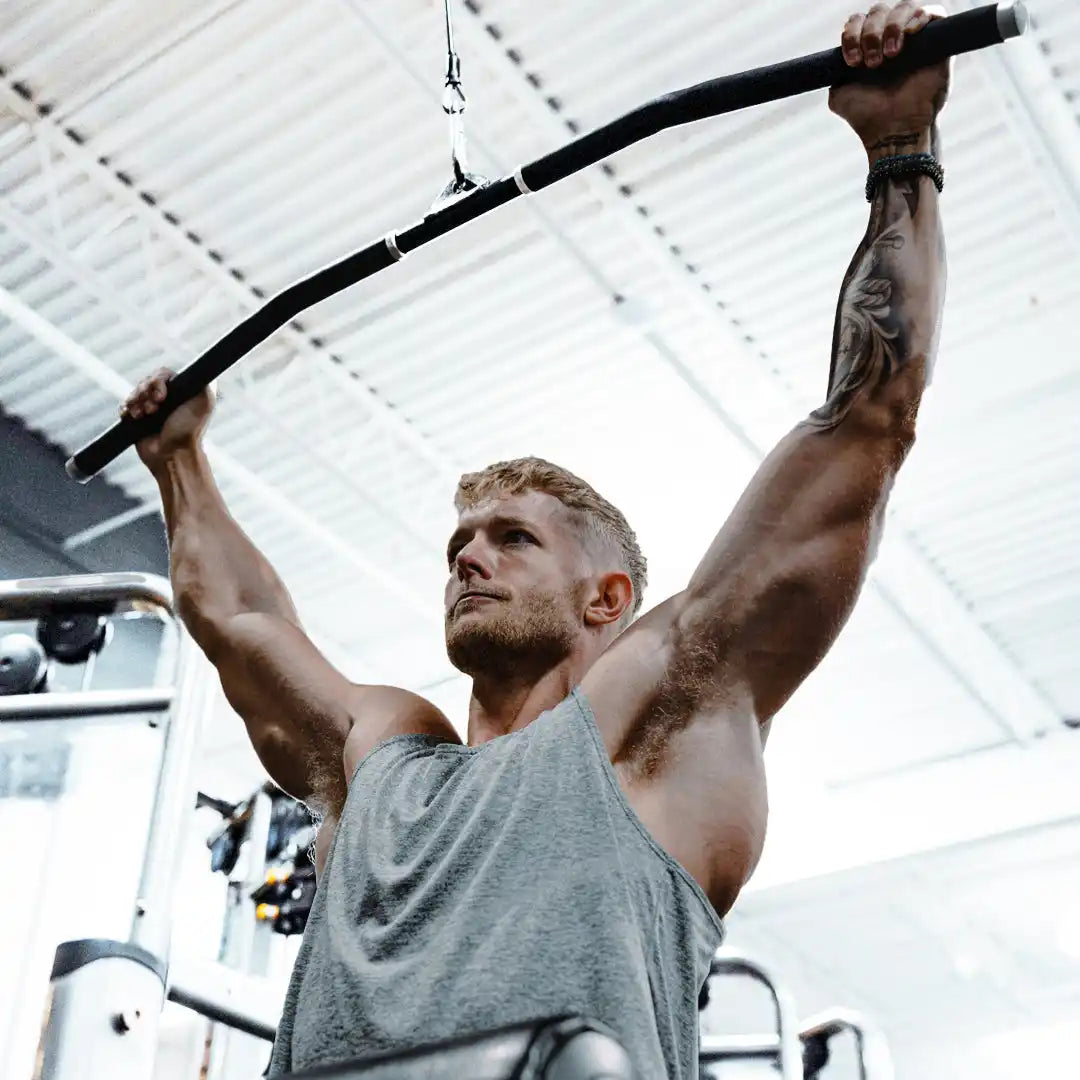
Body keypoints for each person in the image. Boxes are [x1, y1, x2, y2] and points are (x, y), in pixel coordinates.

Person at [123, 4, 949, 1076]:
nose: (468, 557)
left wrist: (900, 150)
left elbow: (863, 430)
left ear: (608, 598)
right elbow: (238, 622)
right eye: (460, 542)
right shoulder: (384, 758)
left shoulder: (657, 720)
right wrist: (179, 459)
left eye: (511, 538)